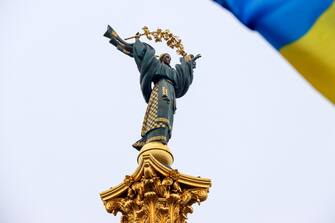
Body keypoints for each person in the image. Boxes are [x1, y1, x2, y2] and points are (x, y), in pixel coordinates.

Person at [104, 26, 201, 151]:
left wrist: (189, 64)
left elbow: (182, 76)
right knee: (159, 111)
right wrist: (138, 42)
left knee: (167, 114)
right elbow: (146, 56)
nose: (169, 59)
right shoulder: (156, 65)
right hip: (160, 88)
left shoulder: (173, 72)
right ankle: (151, 136)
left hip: (170, 91)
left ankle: (162, 136)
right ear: (161, 58)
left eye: (170, 58)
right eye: (166, 57)